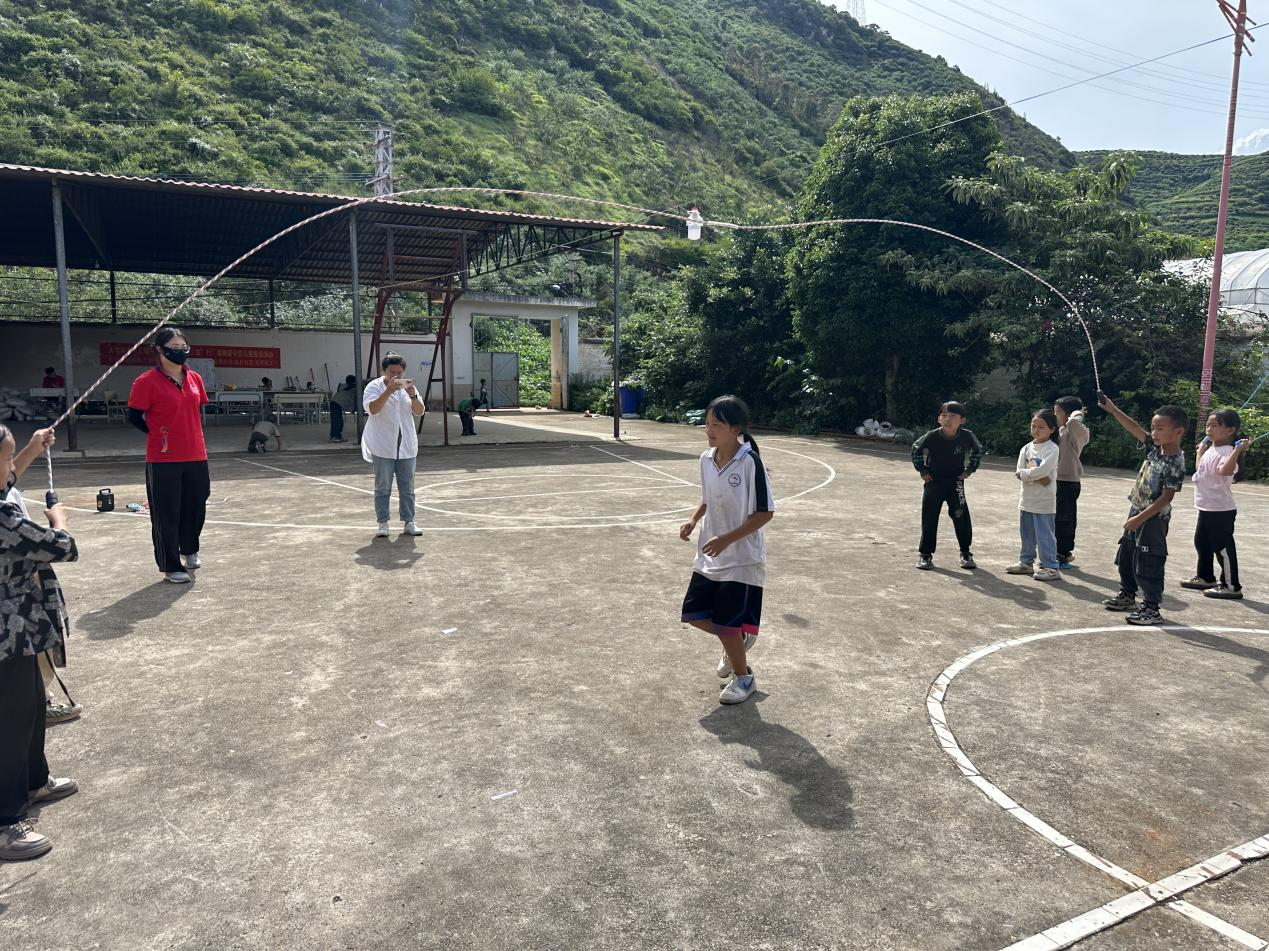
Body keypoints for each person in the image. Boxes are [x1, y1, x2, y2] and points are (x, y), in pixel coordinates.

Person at [0, 424, 79, 861]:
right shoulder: (4, 518)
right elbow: (60, 547)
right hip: (6, 633)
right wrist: (58, 520)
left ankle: (34, 781)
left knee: (30, 705)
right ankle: (6, 820)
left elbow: (9, 476)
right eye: (5, 460)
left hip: (20, 627)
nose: (12, 470)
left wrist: (31, 448)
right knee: (10, 721)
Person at [679, 395, 775, 706]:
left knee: (725, 623)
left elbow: (764, 513)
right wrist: (693, 520)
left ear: (735, 429)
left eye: (716, 425)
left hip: (742, 558)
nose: (709, 430)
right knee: (694, 614)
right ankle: (737, 638)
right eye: (707, 424)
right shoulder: (706, 459)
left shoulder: (749, 462)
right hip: (710, 554)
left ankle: (744, 678)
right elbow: (707, 498)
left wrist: (727, 539)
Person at [126, 328, 211, 584]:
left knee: (196, 505)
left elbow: (196, 410)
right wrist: (157, 434)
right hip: (163, 458)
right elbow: (134, 416)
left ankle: (189, 548)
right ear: (160, 350)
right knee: (166, 512)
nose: (181, 351)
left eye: (184, 347)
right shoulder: (146, 381)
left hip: (196, 453)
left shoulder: (194, 378)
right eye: (174, 347)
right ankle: (170, 565)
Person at [1098, 396, 1188, 625]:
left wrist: (1140, 518)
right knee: (1127, 555)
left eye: (1160, 429)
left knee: (1149, 562)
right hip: (1137, 511)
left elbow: (1166, 498)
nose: (1154, 433)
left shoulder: (1175, 461)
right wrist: (1113, 410)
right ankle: (1128, 594)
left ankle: (1151, 608)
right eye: (1153, 428)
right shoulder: (1155, 449)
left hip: (1153, 519)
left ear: (1178, 432)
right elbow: (1135, 428)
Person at [1182, 408, 1248, 600]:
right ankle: (1205, 577)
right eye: (1207, 425)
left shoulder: (1228, 451)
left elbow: (1225, 471)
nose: (1209, 429)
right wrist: (1200, 452)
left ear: (1230, 430)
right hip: (1206, 507)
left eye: (1214, 425)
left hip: (1221, 509)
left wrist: (1237, 450)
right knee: (1201, 543)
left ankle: (1231, 586)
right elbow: (1200, 470)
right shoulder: (1212, 449)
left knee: (1222, 548)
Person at [912, 401, 982, 571]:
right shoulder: (931, 436)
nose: (947, 420)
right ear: (938, 419)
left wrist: (969, 470)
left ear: (962, 420)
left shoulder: (967, 436)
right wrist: (923, 470)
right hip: (933, 482)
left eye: (952, 416)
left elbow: (978, 450)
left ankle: (966, 553)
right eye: (944, 416)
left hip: (956, 482)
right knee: (929, 516)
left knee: (961, 515)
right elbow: (915, 449)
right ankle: (925, 555)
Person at [362, 353, 425, 538]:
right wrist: (388, 391)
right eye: (392, 372)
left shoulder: (409, 388)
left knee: (408, 487)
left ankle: (409, 521)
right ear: (383, 371)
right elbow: (372, 409)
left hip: (406, 445)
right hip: (382, 445)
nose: (396, 377)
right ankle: (383, 522)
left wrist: (413, 395)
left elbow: (419, 411)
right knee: (383, 487)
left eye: (400, 373)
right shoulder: (373, 387)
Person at [1007, 409, 1062, 581]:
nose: (1036, 430)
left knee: (1045, 536)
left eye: (1041, 427)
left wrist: (1028, 474)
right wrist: (1034, 475)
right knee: (1027, 535)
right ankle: (1026, 563)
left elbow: (1043, 471)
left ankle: (1051, 567)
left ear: (1052, 429)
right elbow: (1019, 471)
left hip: (1044, 501)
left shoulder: (1052, 449)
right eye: (1033, 426)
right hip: (1027, 499)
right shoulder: (1026, 448)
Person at [1053, 395, 1090, 569]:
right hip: (1055, 480)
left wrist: (1078, 412)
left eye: (1058, 412)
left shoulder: (1077, 432)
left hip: (1068, 482)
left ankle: (1062, 553)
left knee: (1064, 520)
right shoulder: (1060, 431)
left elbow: (1074, 422)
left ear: (1068, 414)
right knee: (1054, 518)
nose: (1055, 415)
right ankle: (1059, 551)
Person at [329, 374, 357, 444]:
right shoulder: (348, 386)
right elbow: (360, 383)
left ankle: (338, 436)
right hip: (335, 403)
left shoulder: (347, 386)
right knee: (337, 421)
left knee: (340, 421)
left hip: (336, 403)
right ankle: (333, 437)